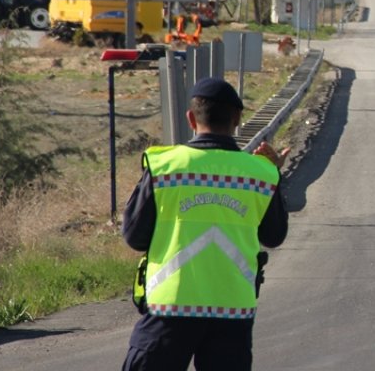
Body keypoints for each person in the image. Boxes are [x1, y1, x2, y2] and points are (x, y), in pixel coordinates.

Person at [121, 77, 289, 371]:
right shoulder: (261, 174)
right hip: (233, 309)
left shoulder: (165, 167)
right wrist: (274, 174)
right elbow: (274, 236)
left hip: (170, 306)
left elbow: (135, 237)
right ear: (237, 119)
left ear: (190, 118)